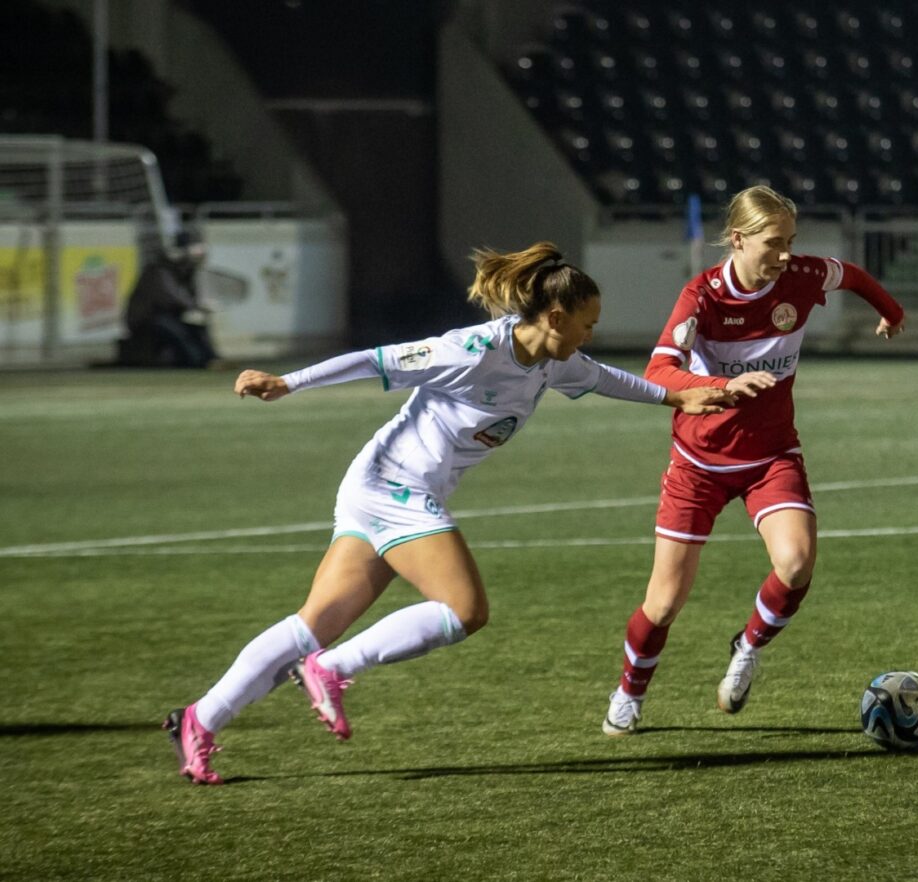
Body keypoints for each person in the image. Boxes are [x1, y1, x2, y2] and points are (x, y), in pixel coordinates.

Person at [163, 242, 733, 784]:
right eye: (588, 323)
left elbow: (606, 378)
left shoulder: (552, 362)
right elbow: (374, 359)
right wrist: (287, 382)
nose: (593, 334)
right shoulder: (473, 350)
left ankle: (199, 720)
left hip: (382, 490)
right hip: (394, 487)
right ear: (556, 317)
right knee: (464, 609)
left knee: (314, 622)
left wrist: (677, 397)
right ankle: (332, 668)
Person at [600, 185, 905, 735]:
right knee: (664, 603)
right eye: (773, 242)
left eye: (791, 240)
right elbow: (659, 372)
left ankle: (748, 647)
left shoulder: (802, 277)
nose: (785, 254)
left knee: (796, 563)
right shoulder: (701, 298)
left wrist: (892, 311)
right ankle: (629, 692)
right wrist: (722, 383)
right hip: (698, 461)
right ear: (738, 239)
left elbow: (853, 276)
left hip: (770, 456)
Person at [118, 230, 218, 368]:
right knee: (176, 330)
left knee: (198, 327)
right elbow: (171, 296)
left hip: (167, 315)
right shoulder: (159, 270)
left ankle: (212, 359)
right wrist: (195, 306)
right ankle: (197, 361)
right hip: (146, 318)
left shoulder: (185, 271)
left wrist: (195, 307)